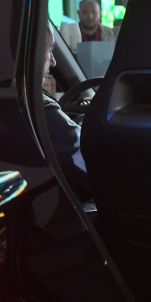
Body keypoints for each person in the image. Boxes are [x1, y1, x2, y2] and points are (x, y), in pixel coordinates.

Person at [39, 23, 89, 185]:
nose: (53, 62)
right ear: (33, 55)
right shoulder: (42, 111)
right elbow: (94, 165)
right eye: (49, 51)